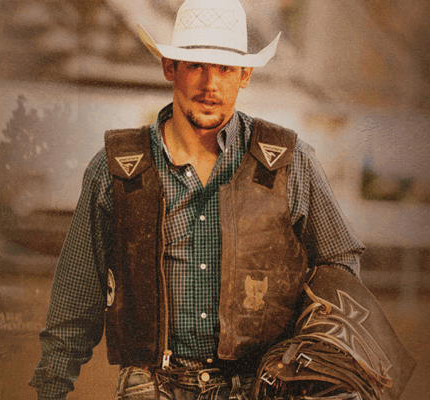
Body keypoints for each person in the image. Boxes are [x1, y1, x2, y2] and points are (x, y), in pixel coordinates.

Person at [30, 0, 372, 398]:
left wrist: (313, 355)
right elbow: (76, 296)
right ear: (169, 68)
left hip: (259, 387)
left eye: (225, 68)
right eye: (196, 66)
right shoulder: (117, 170)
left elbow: (339, 264)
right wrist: (51, 387)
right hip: (150, 387)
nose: (211, 85)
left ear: (245, 75)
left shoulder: (291, 164)